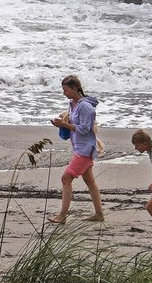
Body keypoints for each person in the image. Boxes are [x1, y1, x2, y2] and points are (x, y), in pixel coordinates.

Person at [48, 75, 103, 223]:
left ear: (75, 89)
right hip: (78, 148)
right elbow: (74, 123)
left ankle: (62, 216)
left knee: (66, 178)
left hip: (85, 150)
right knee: (90, 182)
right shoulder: (72, 104)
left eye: (66, 90)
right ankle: (99, 214)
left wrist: (64, 125)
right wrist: (63, 121)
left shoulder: (86, 107)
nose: (64, 93)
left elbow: (85, 129)